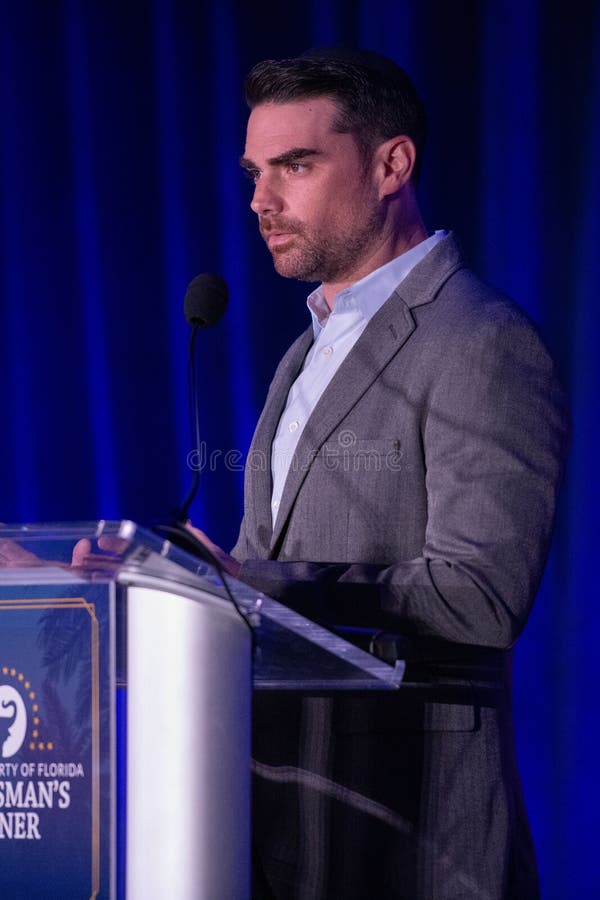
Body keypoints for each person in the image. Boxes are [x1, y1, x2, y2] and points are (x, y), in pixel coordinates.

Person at [191, 49, 569, 900]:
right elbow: (264, 575)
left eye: (295, 165)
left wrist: (254, 584)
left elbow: (482, 595)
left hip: (416, 841)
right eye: (254, 172)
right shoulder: (305, 349)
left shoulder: (480, 340)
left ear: (392, 164)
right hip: (288, 829)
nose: (260, 201)